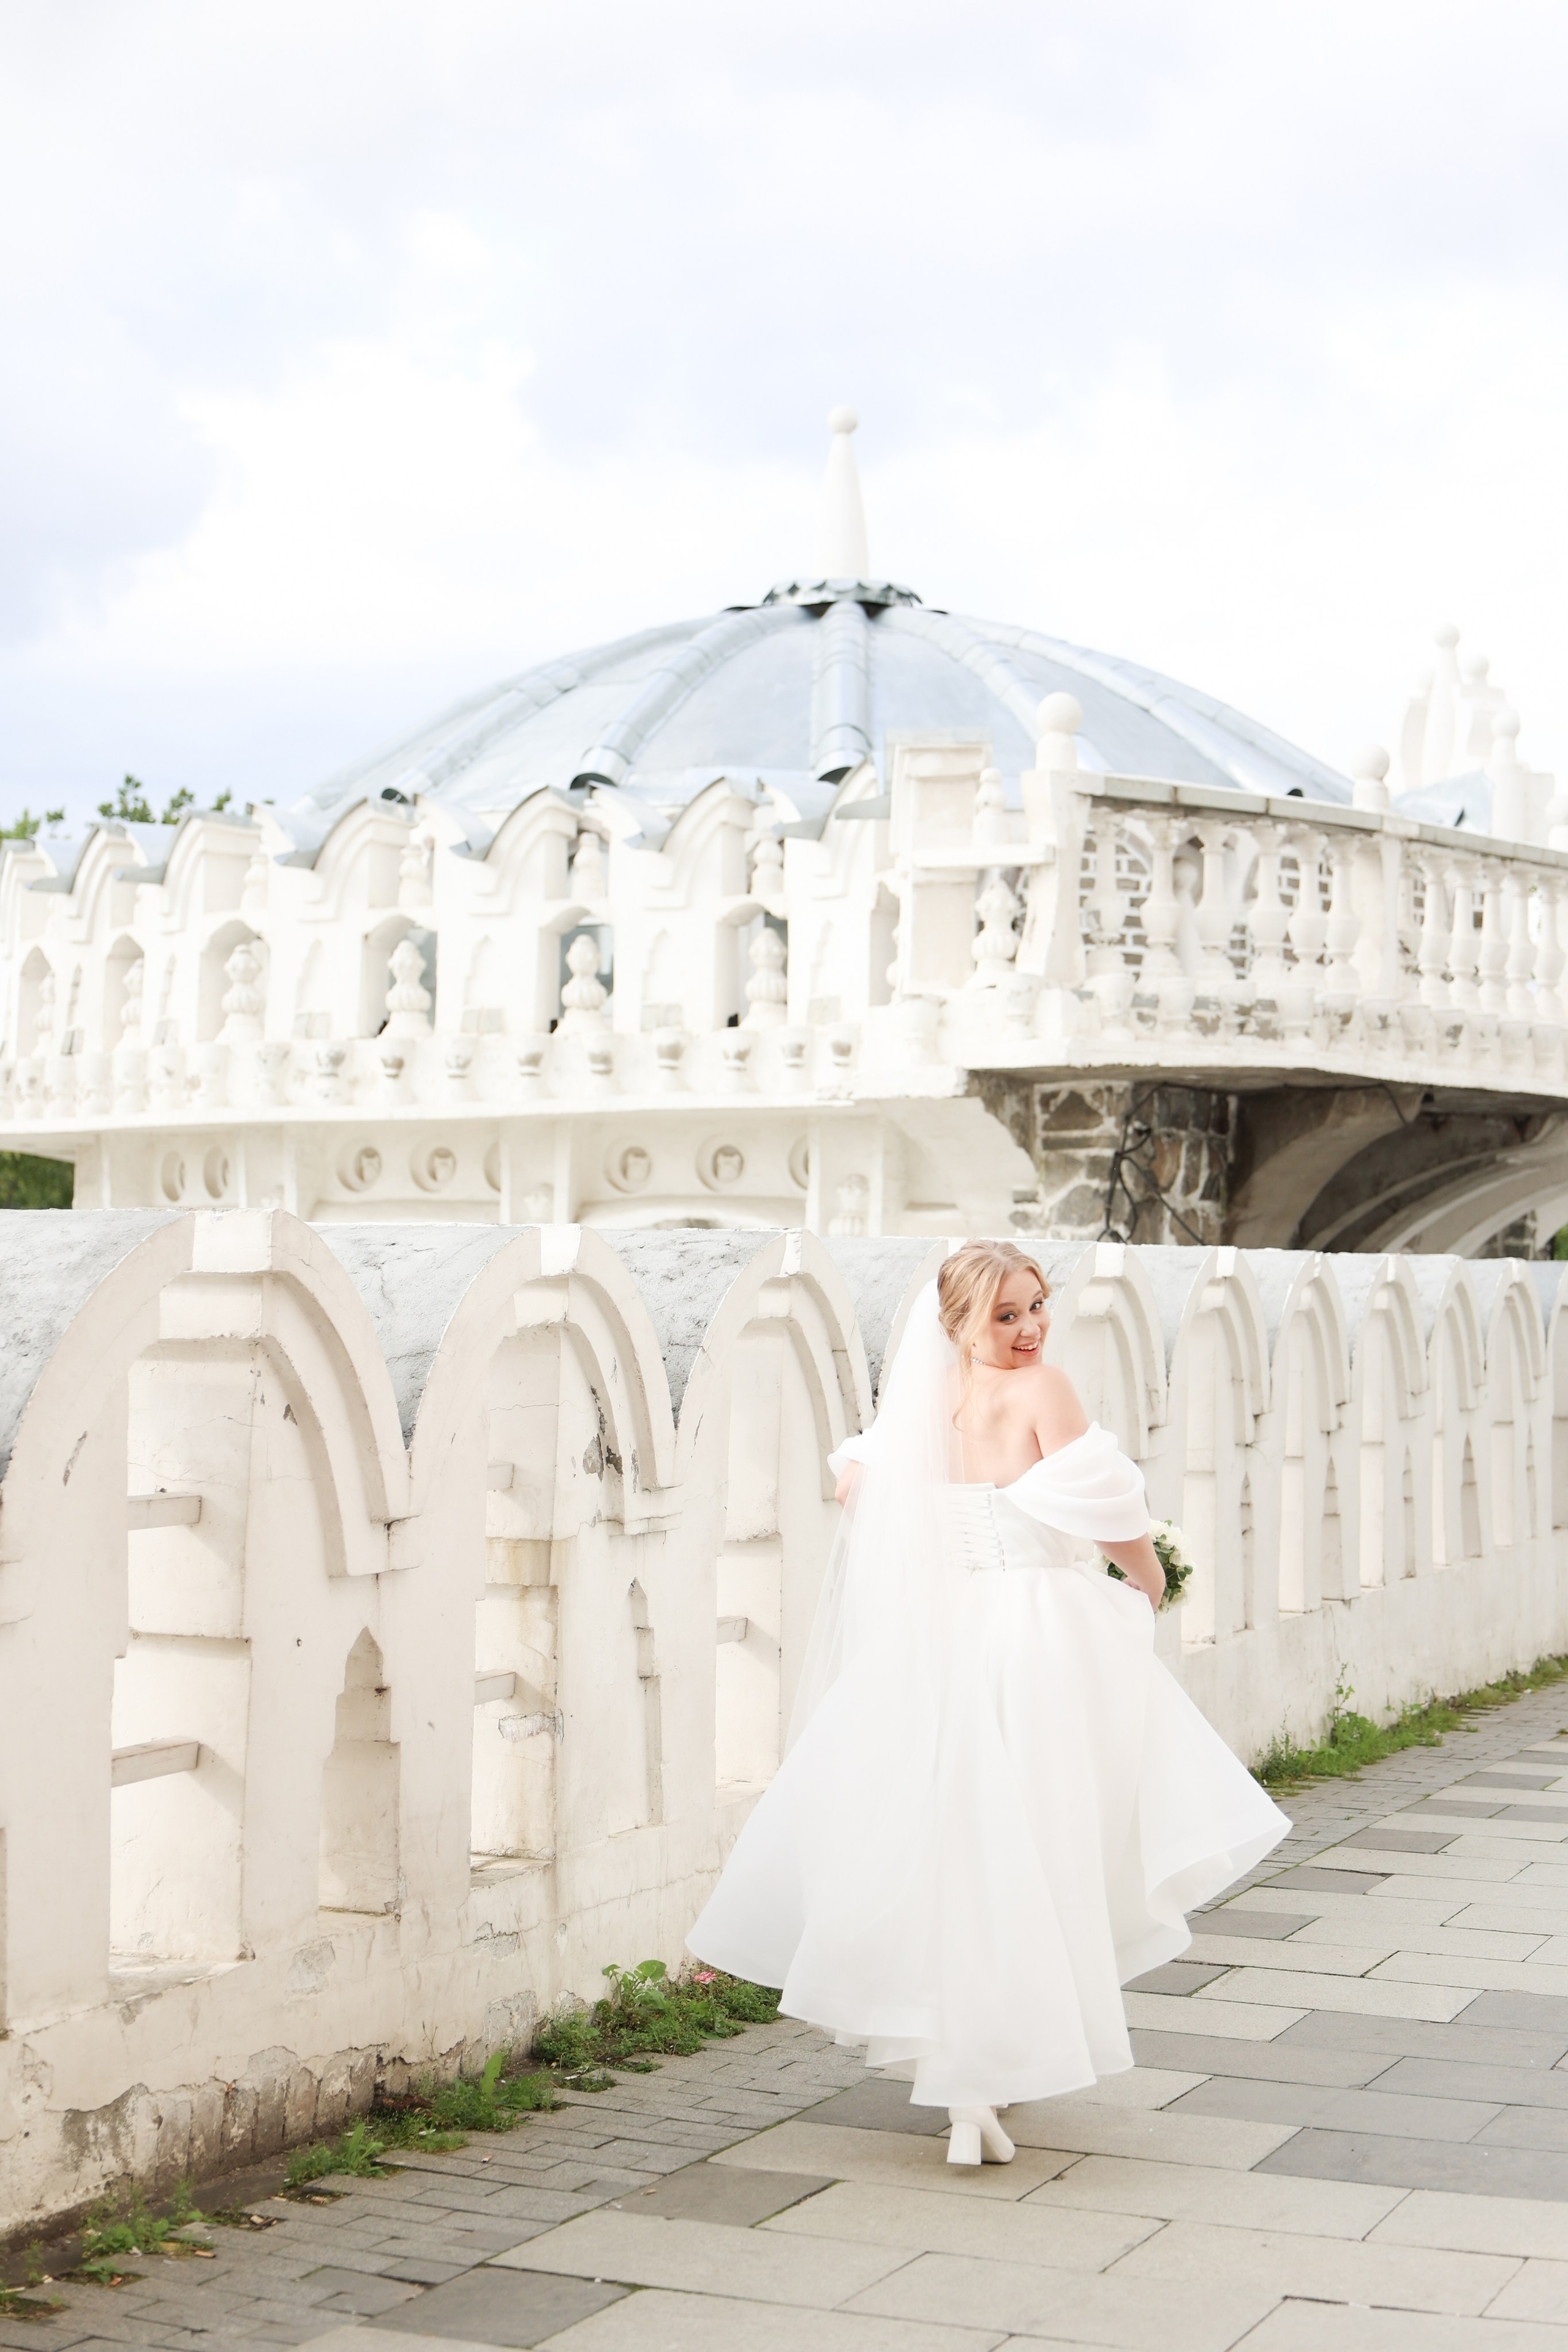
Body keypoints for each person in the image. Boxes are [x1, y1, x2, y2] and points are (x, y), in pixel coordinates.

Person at [687, 1239, 1289, 2168]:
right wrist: (1150, 1580)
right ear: (959, 1323)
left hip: (944, 1634)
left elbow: (858, 1491)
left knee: (959, 1845)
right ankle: (985, 2075)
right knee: (1039, 1845)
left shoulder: (926, 1404)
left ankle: (968, 2080)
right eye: (1005, 1315)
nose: (1030, 1329)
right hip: (1040, 1638)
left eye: (1037, 1306)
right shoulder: (1044, 1391)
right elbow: (1112, 1512)